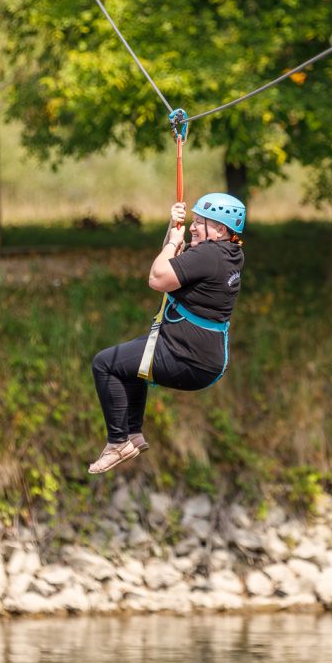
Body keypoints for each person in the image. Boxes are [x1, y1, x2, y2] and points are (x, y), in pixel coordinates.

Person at [88, 192, 246, 474]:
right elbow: (173, 263)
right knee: (129, 366)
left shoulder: (209, 255)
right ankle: (132, 434)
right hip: (200, 357)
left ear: (221, 230)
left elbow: (157, 278)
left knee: (105, 364)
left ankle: (117, 442)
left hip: (187, 358)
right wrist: (171, 231)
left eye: (200, 222)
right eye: (193, 220)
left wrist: (175, 240)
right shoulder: (229, 253)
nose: (193, 227)